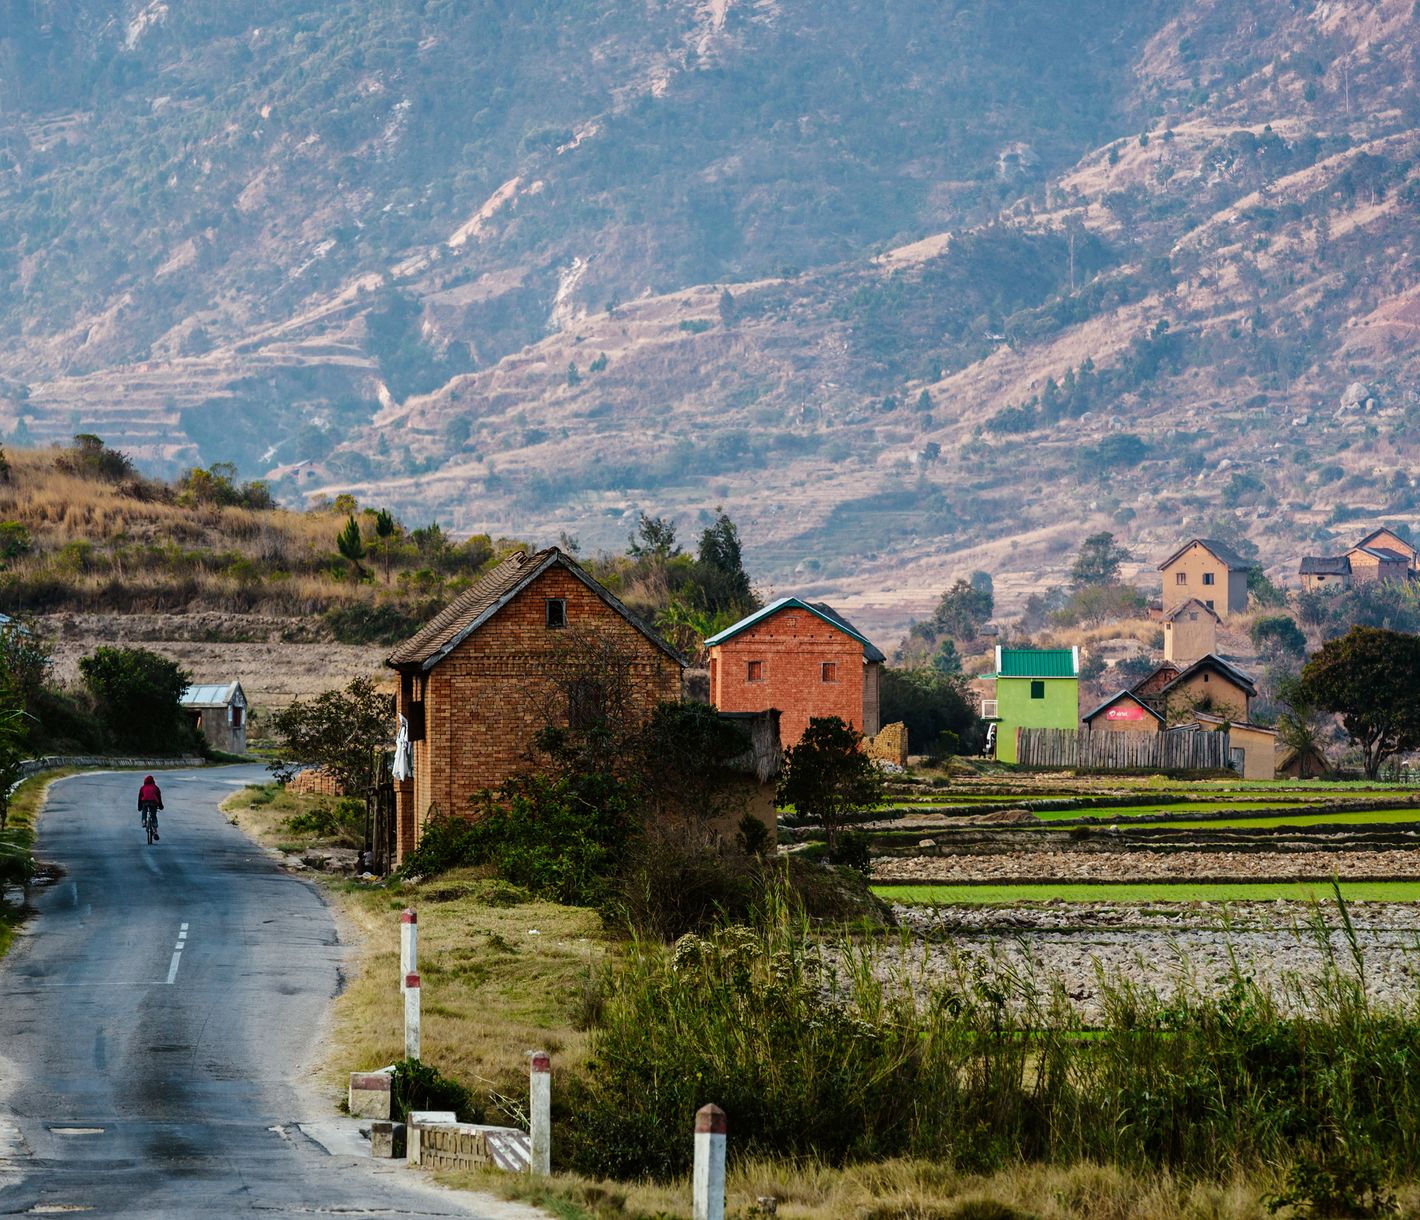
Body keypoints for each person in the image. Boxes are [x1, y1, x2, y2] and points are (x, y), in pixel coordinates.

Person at [138, 775, 163, 841]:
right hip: (154, 802)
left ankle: (144, 820)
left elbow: (140, 798)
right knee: (153, 815)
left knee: (144, 810)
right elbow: (159, 798)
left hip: (145, 802)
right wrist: (161, 806)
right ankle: (154, 825)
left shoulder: (142, 788)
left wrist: (139, 807)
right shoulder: (156, 788)